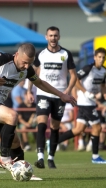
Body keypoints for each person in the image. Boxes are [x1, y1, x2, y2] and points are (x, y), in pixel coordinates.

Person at [0, 42, 76, 179]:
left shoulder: (27, 70)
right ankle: (4, 158)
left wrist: (62, 95)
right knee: (12, 115)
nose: (26, 66)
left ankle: (25, 172)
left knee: (15, 141)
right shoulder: (3, 59)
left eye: (30, 63)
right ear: (17, 55)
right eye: (24, 62)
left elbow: (40, 83)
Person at [27, 26, 77, 169]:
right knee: (41, 123)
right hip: (43, 93)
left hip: (60, 95)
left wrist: (67, 91)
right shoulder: (41, 54)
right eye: (50, 35)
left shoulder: (66, 54)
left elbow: (74, 75)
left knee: (55, 127)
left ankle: (51, 158)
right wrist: (29, 90)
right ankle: (40, 157)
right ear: (46, 37)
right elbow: (33, 73)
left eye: (55, 35)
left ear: (59, 37)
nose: (53, 38)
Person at [58, 47, 106, 164]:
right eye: (99, 57)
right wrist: (85, 92)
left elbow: (102, 84)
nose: (101, 59)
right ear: (95, 57)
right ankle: (95, 157)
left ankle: (53, 141)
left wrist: (105, 93)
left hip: (91, 102)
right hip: (85, 102)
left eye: (103, 57)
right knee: (97, 127)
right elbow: (75, 79)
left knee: (78, 130)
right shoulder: (88, 68)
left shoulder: (104, 70)